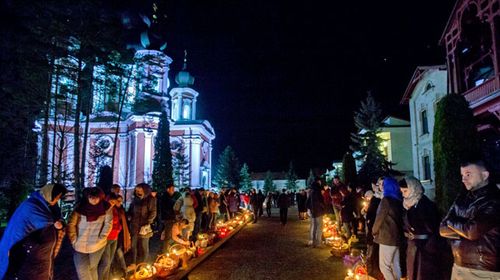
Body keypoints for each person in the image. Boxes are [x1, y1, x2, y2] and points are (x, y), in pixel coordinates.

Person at [440, 159, 500, 279]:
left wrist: (452, 222)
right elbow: (442, 229)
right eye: (462, 175)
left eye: (468, 174)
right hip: (458, 266)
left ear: (484, 175)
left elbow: (472, 231)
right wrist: (465, 229)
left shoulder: (494, 199)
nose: (463, 179)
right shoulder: (462, 198)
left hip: (483, 271)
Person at [0, 183, 67, 280]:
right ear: (49, 195)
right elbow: (45, 220)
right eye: (56, 197)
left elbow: (56, 218)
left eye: (59, 197)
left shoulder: (48, 205)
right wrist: (57, 224)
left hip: (40, 255)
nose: (57, 200)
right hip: (21, 246)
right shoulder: (31, 205)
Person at [399, 176, 451, 280]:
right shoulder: (408, 205)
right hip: (413, 248)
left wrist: (428, 248)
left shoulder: (426, 205)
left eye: (405, 191)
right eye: (402, 191)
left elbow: (433, 227)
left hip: (425, 250)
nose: (403, 194)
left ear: (413, 188)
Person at [68, 187, 113, 280]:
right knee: (82, 271)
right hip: (79, 244)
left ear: (100, 197)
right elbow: (71, 223)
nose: (93, 200)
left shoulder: (106, 207)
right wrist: (73, 239)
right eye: (91, 197)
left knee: (92, 268)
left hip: (97, 245)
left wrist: (102, 238)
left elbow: (108, 223)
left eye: (96, 197)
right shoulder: (80, 207)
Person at [372, 177, 403, 280]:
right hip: (396, 236)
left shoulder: (386, 200)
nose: (381, 187)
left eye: (383, 185)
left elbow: (380, 218)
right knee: (395, 265)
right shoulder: (398, 200)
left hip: (387, 237)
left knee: (384, 267)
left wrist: (374, 231)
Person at [98, 193, 131, 280]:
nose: (113, 203)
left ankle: (107, 277)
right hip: (107, 239)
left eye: (114, 202)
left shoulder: (115, 209)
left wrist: (119, 229)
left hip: (114, 237)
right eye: (111, 201)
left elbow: (118, 221)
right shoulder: (104, 210)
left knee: (110, 261)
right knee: (105, 262)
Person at [128, 183, 157, 269]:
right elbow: (130, 209)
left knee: (144, 246)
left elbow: (153, 212)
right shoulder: (135, 200)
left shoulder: (151, 199)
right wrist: (129, 215)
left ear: (145, 190)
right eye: (137, 190)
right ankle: (133, 263)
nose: (138, 192)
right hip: (134, 226)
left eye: (140, 190)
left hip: (144, 226)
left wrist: (148, 222)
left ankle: (144, 264)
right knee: (133, 246)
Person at [363, 182, 383, 280]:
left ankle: (371, 270)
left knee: (372, 253)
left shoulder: (379, 200)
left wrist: (367, 215)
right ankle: (370, 269)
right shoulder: (376, 200)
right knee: (371, 252)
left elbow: (373, 216)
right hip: (373, 230)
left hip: (375, 232)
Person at [159, 184, 181, 252]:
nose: (173, 191)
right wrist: (173, 214)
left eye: (173, 189)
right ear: (168, 189)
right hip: (168, 218)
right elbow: (166, 209)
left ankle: (167, 248)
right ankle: (165, 251)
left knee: (168, 235)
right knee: (167, 235)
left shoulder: (170, 197)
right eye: (172, 189)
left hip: (169, 218)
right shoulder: (165, 198)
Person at [306, 180, 326, 247]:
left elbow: (307, 203)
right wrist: (324, 208)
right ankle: (318, 243)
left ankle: (313, 242)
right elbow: (321, 202)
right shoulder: (318, 193)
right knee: (319, 227)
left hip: (313, 212)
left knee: (314, 227)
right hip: (319, 212)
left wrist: (310, 209)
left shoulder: (311, 193)